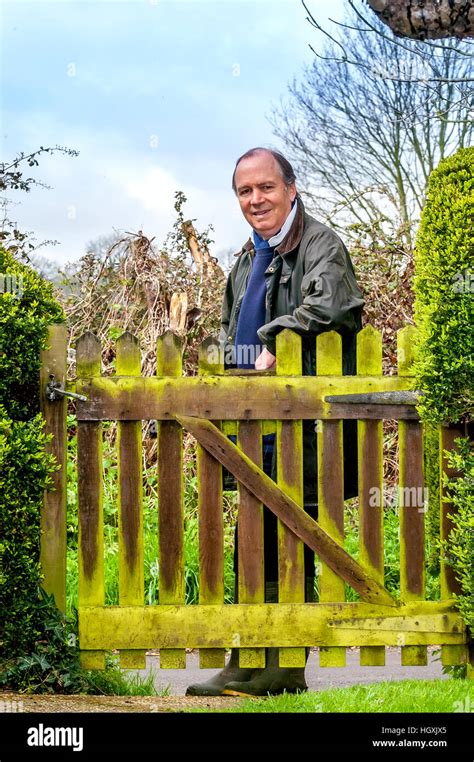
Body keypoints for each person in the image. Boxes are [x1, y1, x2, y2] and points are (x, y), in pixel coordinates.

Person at [186, 147, 365, 697]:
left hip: (309, 430)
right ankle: (247, 659)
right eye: (244, 191)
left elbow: (335, 307)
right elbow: (226, 331)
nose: (255, 199)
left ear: (291, 189)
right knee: (252, 539)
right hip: (253, 425)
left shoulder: (320, 246)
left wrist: (272, 341)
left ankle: (284, 667)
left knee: (293, 538)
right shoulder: (246, 262)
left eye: (265, 187)